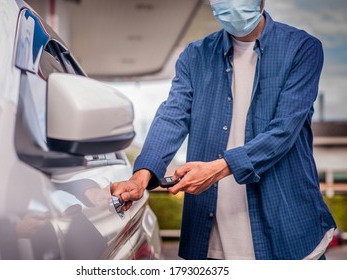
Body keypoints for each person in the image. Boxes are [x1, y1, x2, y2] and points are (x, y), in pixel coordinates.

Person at [111, 0, 336, 260]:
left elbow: (284, 131)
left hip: (289, 233)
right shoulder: (195, 55)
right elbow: (173, 115)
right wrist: (140, 178)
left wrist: (217, 169)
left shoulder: (302, 49)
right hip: (212, 237)